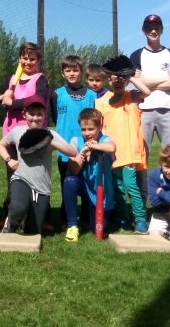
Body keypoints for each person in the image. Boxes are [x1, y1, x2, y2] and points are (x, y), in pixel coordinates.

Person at [0, 95, 77, 234]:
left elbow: (72, 152)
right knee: (17, 207)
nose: (35, 118)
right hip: (21, 179)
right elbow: (0, 145)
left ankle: (24, 221)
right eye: (31, 114)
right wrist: (9, 160)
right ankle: (11, 222)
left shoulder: (50, 134)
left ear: (45, 115)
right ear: (24, 114)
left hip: (42, 188)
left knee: (33, 231)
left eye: (39, 114)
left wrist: (50, 141)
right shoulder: (17, 131)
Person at [0, 41, 50, 228]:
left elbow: (37, 99)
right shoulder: (11, 79)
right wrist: (2, 96)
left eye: (32, 59)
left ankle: (42, 215)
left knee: (37, 175)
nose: (28, 62)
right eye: (25, 58)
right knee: (13, 175)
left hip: (34, 135)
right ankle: (11, 212)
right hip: (12, 133)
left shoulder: (41, 79)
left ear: (38, 60)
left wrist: (12, 103)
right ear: (19, 58)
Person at [130, 14, 170, 199]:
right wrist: (164, 78)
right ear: (144, 30)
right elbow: (136, 83)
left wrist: (147, 82)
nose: (153, 30)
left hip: (167, 110)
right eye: (149, 27)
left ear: (161, 29)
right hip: (143, 110)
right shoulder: (136, 55)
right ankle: (142, 202)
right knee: (140, 157)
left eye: (157, 27)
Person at [95, 55, 151, 234]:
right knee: (118, 189)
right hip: (112, 154)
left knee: (130, 187)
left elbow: (147, 92)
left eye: (122, 78)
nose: (118, 81)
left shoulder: (132, 96)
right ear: (109, 79)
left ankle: (140, 220)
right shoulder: (101, 101)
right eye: (115, 77)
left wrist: (130, 75)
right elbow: (98, 127)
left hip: (129, 154)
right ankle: (124, 217)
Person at [50, 55, 97, 227]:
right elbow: (56, 118)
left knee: (87, 182)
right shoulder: (57, 94)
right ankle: (66, 218)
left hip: (87, 148)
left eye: (75, 70)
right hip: (65, 150)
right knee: (66, 184)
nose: (71, 73)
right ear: (62, 73)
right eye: (68, 70)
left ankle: (87, 217)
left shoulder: (92, 95)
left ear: (81, 72)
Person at [63, 108, 115, 242]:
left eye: (91, 129)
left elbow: (112, 148)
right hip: (84, 185)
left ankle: (90, 217)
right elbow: (74, 170)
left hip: (100, 190)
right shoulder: (75, 140)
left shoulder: (106, 139)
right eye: (83, 129)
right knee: (69, 181)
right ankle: (72, 225)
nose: (87, 133)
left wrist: (93, 147)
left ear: (99, 127)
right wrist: (83, 152)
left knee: (98, 228)